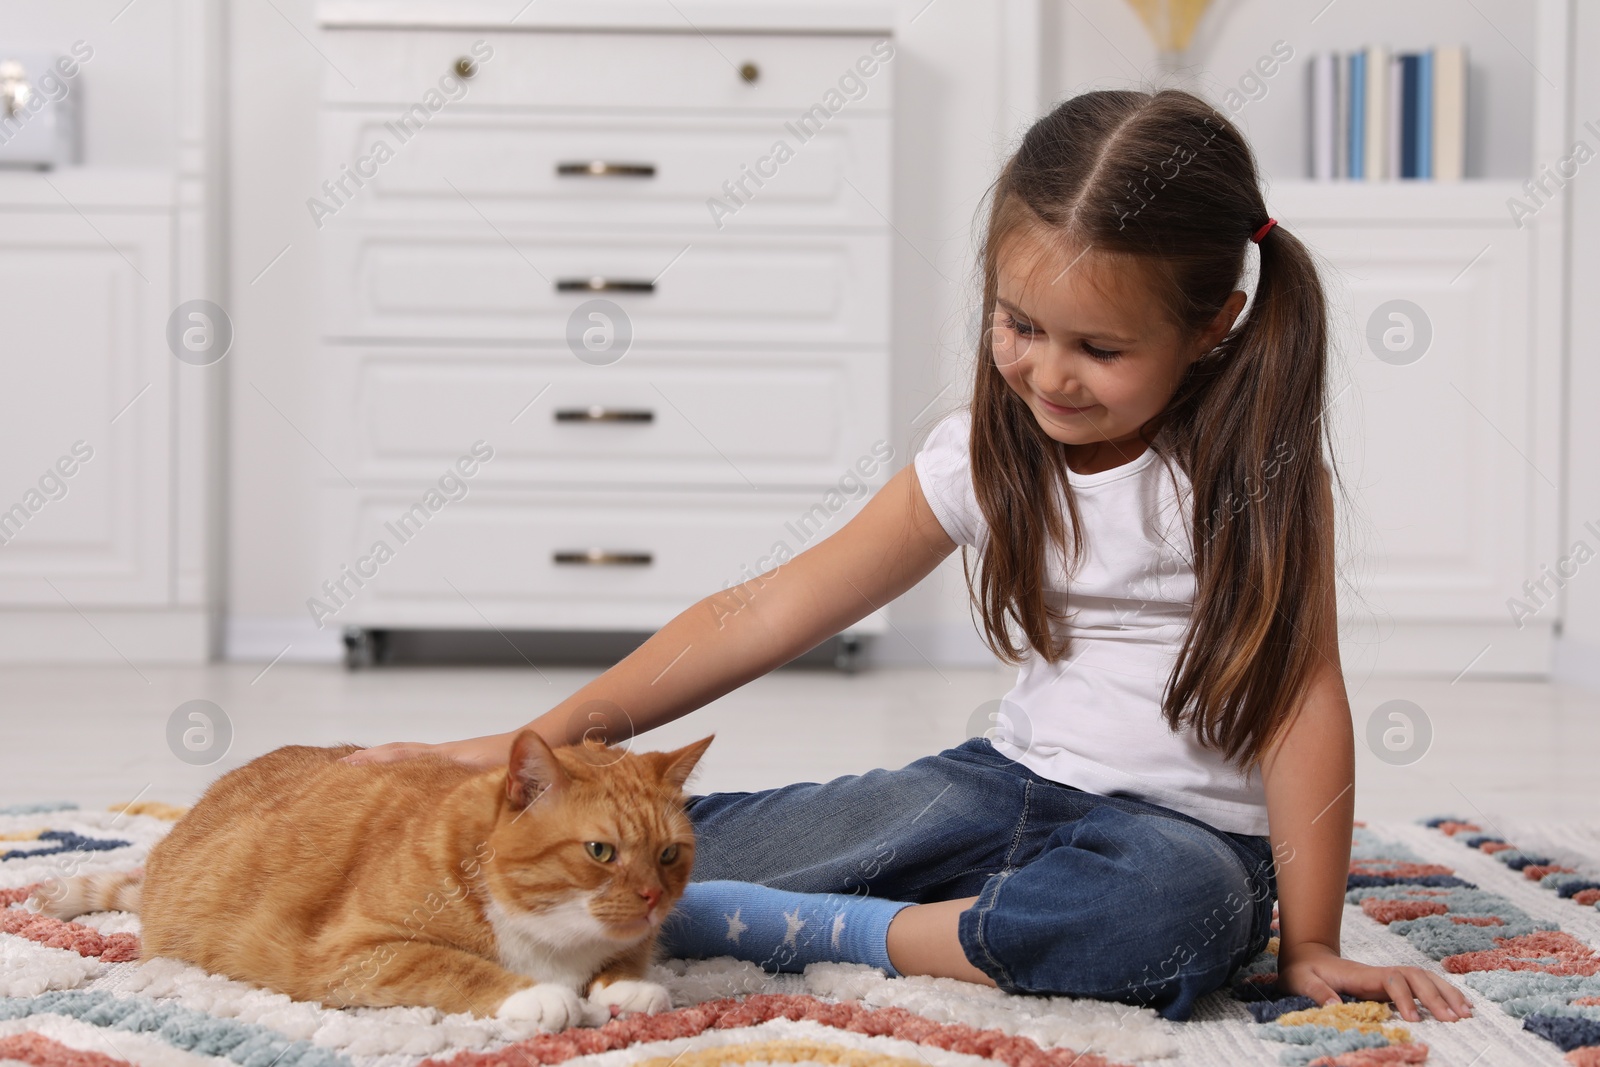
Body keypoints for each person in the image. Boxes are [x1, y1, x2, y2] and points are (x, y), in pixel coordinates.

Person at [341, 88, 1474, 1026]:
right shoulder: (983, 456)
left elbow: (1301, 700)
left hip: (1175, 840)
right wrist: (540, 739)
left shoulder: (1254, 478)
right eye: (1020, 325)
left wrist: (1311, 937)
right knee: (650, 853)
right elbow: (766, 609)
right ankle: (793, 902)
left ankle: (802, 926)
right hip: (997, 792)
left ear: (1214, 324)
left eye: (1101, 348)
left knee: (1176, 917)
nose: (1047, 374)